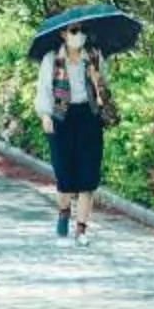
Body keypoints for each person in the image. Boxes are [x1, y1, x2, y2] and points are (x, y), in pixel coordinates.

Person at [35, 23, 117, 241]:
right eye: (73, 31)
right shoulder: (52, 59)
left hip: (88, 116)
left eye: (81, 31)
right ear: (63, 34)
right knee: (64, 173)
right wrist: (45, 115)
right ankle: (63, 211)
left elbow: (104, 94)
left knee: (88, 175)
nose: (78, 35)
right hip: (61, 116)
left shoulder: (94, 56)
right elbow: (44, 89)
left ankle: (81, 229)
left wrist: (96, 76)